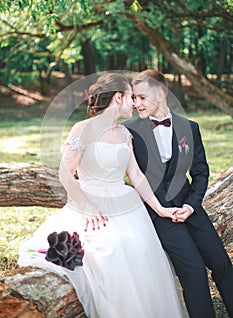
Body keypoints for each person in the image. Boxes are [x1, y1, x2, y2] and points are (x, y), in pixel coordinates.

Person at [18, 73, 186, 318]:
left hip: (127, 206)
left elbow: (136, 176)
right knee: (112, 249)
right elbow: (66, 176)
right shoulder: (82, 129)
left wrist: (160, 209)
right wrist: (87, 207)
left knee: (139, 247)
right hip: (90, 205)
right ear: (118, 98)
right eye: (130, 97)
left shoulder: (124, 134)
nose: (134, 103)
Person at [124, 69, 233, 318]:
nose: (136, 103)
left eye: (142, 97)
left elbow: (201, 172)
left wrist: (192, 206)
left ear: (161, 94)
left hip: (190, 207)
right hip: (158, 213)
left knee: (223, 265)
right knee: (194, 271)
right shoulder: (129, 131)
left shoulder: (189, 128)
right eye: (133, 98)